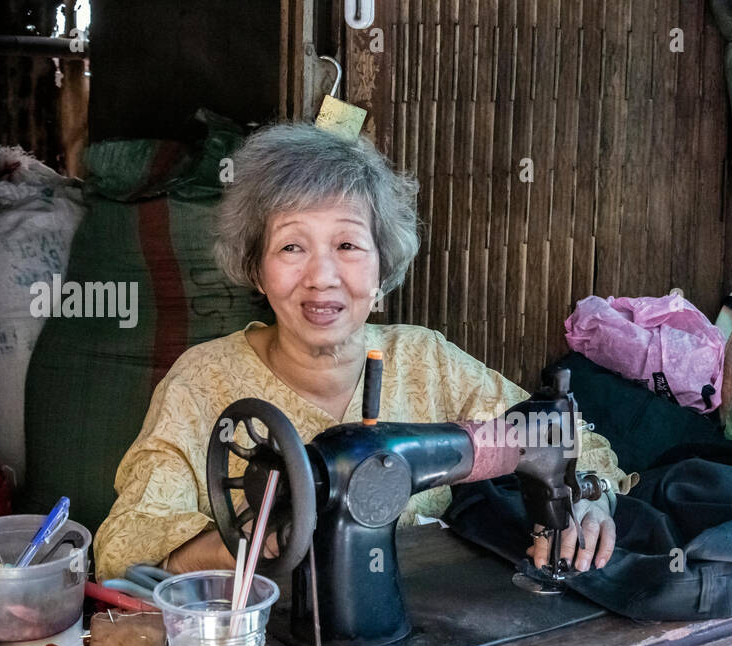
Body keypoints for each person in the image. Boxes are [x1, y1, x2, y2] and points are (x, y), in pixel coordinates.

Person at [94, 123, 629, 581]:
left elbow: (572, 443)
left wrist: (588, 500)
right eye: (291, 247)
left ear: (381, 269)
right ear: (256, 270)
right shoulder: (203, 382)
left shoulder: (427, 362)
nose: (322, 277)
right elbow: (123, 549)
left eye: (347, 246)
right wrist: (255, 542)